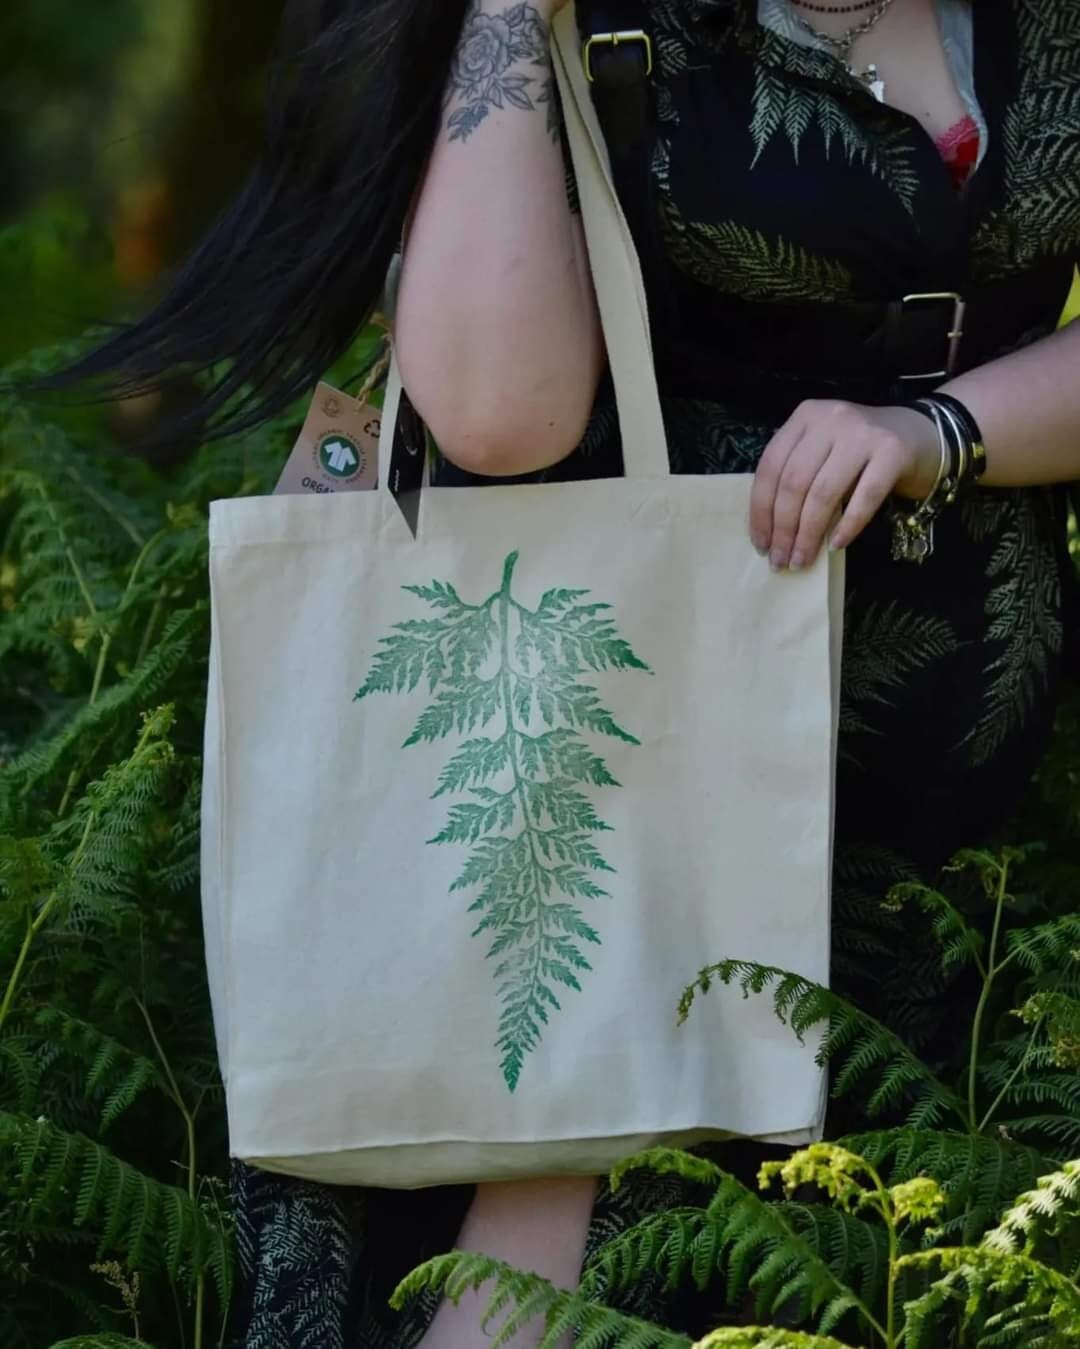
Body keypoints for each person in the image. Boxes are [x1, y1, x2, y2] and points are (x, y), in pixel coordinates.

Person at [21, 0, 1080, 1344]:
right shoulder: (599, 21)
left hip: (915, 851)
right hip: (598, 789)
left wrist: (942, 429)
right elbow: (493, 413)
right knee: (550, 1255)